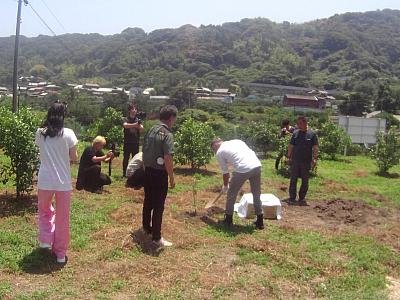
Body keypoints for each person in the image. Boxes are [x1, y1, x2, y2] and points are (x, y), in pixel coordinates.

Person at [35, 101, 78, 264]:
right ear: (63, 115)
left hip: (45, 180)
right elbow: (74, 157)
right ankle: (60, 254)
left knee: (45, 210)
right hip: (63, 182)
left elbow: (42, 151)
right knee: (62, 218)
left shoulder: (40, 132)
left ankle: (45, 240)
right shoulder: (68, 133)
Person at [142, 105, 178, 247]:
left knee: (148, 201)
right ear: (171, 118)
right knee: (158, 206)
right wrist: (171, 177)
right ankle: (156, 238)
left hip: (148, 170)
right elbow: (168, 157)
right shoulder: (167, 134)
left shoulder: (151, 129)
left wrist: (145, 167)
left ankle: (146, 228)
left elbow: (144, 149)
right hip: (159, 174)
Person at [211, 139, 264, 229]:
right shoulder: (237, 141)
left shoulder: (219, 152)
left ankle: (228, 220)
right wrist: (234, 177)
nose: (215, 151)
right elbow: (239, 157)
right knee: (256, 194)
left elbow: (225, 172)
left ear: (215, 146)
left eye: (213, 149)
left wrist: (225, 185)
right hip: (256, 165)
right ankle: (260, 221)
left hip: (243, 169)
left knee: (231, 194)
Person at [287, 116, 318, 206]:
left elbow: (315, 147)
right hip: (296, 160)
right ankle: (292, 198)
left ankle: (302, 198)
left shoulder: (312, 134)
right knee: (293, 179)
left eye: (300, 123)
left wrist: (315, 159)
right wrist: (289, 157)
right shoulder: (295, 133)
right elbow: (291, 146)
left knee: (305, 180)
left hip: (306, 161)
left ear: (305, 123)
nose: (298, 125)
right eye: (298, 123)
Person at [122, 104, 144, 177]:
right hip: (127, 142)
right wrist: (135, 125)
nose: (134, 110)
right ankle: (124, 173)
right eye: (132, 109)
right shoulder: (126, 119)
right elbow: (125, 125)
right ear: (129, 110)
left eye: (135, 109)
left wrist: (139, 125)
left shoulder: (138, 120)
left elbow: (141, 129)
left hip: (135, 143)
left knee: (135, 159)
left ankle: (134, 174)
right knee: (126, 158)